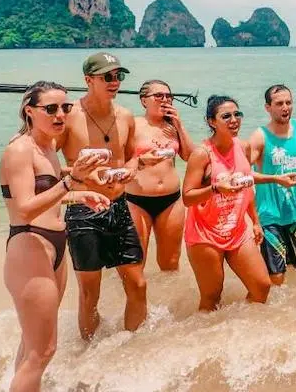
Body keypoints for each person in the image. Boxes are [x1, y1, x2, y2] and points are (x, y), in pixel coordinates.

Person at [0, 81, 110, 391]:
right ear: (29, 111)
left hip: (54, 244)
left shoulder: (47, 145)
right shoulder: (19, 150)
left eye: (65, 107)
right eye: (51, 109)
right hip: (29, 243)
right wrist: (71, 181)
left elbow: (44, 194)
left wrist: (80, 194)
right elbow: (23, 209)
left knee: (32, 347)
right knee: (42, 351)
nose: (60, 114)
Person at [56, 52, 147, 340]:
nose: (115, 82)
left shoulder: (126, 116)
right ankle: (89, 353)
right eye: (107, 76)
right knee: (89, 293)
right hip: (84, 211)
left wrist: (131, 169)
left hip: (119, 206)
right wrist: (82, 174)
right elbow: (47, 164)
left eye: (118, 76)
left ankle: (132, 347)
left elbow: (133, 157)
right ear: (88, 80)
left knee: (138, 285)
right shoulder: (69, 116)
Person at [182, 95, 272, 311]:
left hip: (238, 230)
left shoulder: (243, 147)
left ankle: (238, 329)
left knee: (262, 286)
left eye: (237, 114)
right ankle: (206, 339)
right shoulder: (201, 154)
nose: (234, 120)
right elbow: (187, 197)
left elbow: (247, 186)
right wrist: (215, 188)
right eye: (226, 116)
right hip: (205, 233)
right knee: (212, 296)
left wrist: (256, 222)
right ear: (212, 121)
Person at [248, 84, 296, 285]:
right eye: (279, 103)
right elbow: (243, 172)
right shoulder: (260, 136)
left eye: (289, 102)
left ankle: (287, 313)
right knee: (276, 275)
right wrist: (275, 179)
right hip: (269, 214)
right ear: (268, 107)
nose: (285, 107)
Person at [125, 80, 195, 271]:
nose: (165, 100)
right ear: (143, 101)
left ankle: (167, 300)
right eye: (158, 96)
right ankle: (137, 300)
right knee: (136, 262)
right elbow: (118, 162)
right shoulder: (134, 124)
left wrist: (179, 125)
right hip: (136, 200)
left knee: (170, 263)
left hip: (171, 201)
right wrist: (140, 161)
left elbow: (190, 156)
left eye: (168, 96)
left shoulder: (172, 127)